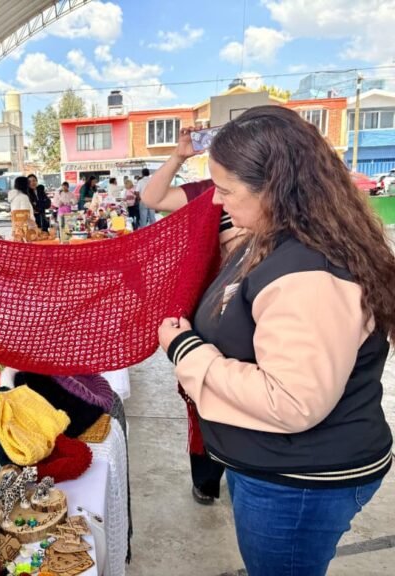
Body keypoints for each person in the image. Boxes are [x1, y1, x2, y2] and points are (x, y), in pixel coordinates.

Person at [158, 106, 395, 575]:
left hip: (300, 482)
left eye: (225, 190)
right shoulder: (274, 237)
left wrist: (189, 352)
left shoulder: (312, 272)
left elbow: (291, 400)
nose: (215, 202)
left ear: (274, 189)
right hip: (276, 468)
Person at [143, 128, 240, 505]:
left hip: (255, 304)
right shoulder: (207, 191)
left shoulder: (278, 194)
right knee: (203, 390)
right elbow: (152, 198)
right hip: (212, 305)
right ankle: (206, 477)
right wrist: (179, 156)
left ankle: (243, 471)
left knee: (243, 390)